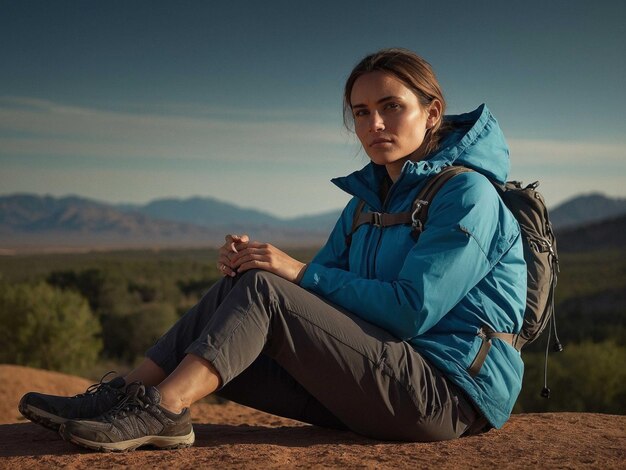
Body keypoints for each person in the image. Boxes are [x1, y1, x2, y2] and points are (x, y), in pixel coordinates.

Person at [18, 48, 526, 451]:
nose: (374, 125)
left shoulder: (466, 194)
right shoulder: (366, 205)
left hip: (447, 396)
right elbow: (311, 294)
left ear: (431, 111)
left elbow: (411, 310)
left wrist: (293, 272)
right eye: (362, 112)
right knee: (247, 284)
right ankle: (126, 394)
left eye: (391, 106)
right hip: (383, 380)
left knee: (265, 288)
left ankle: (164, 410)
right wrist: (252, 263)